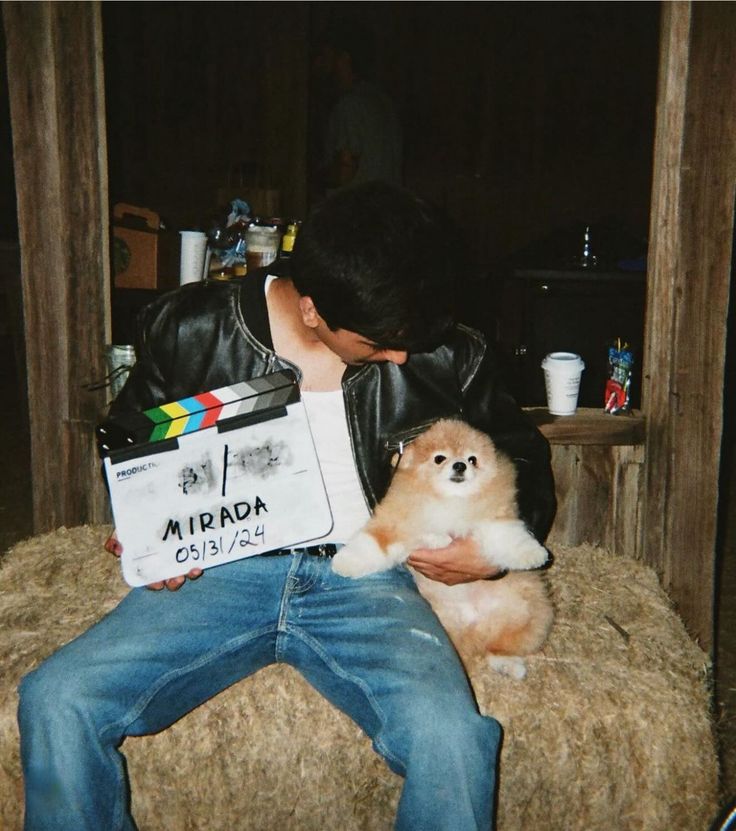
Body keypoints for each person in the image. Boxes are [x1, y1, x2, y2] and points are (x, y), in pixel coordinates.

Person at [17, 181, 556, 831]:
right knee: (56, 698)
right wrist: (147, 529)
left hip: (368, 572)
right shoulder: (190, 327)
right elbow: (132, 444)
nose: (401, 356)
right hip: (222, 567)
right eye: (378, 343)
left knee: (455, 739)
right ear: (310, 309)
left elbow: (524, 463)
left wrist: (489, 554)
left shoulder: (449, 352)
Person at [315, 17, 402, 190]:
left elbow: (344, 170)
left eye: (325, 57)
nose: (319, 65)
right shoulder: (385, 104)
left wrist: (314, 176)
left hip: (356, 214)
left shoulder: (349, 106)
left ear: (343, 59)